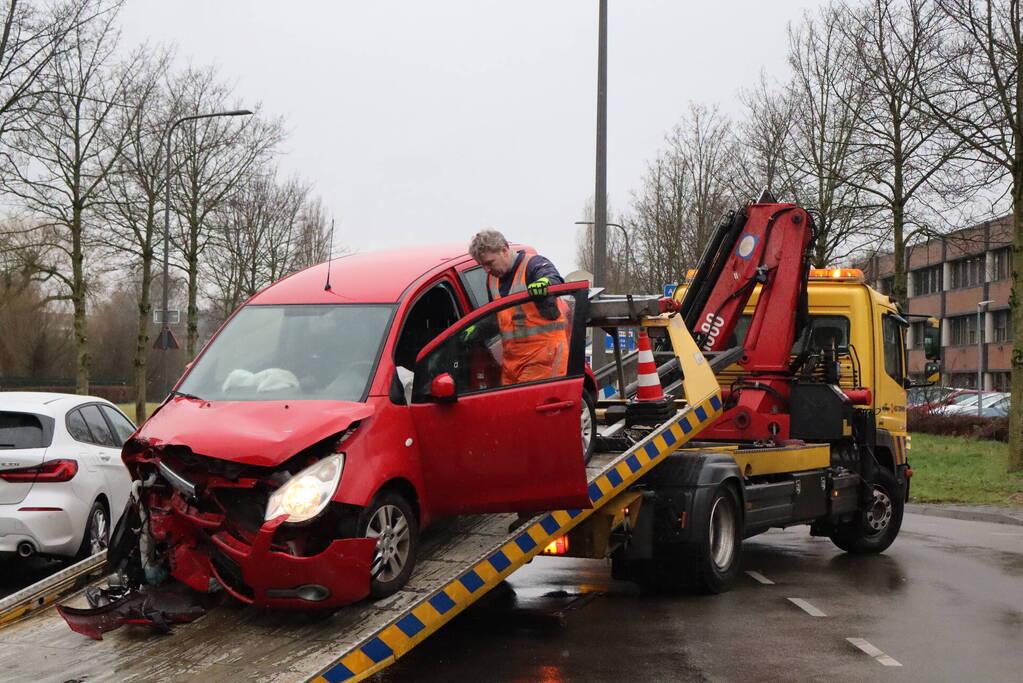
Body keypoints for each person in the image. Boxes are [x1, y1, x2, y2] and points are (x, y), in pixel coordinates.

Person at [468, 230, 569, 385]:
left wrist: (545, 283)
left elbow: (552, 278)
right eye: (482, 265)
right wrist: (477, 327)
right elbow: (497, 316)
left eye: (489, 263)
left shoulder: (534, 265)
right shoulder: (492, 280)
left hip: (543, 359)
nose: (486, 270)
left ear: (504, 250)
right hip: (512, 364)